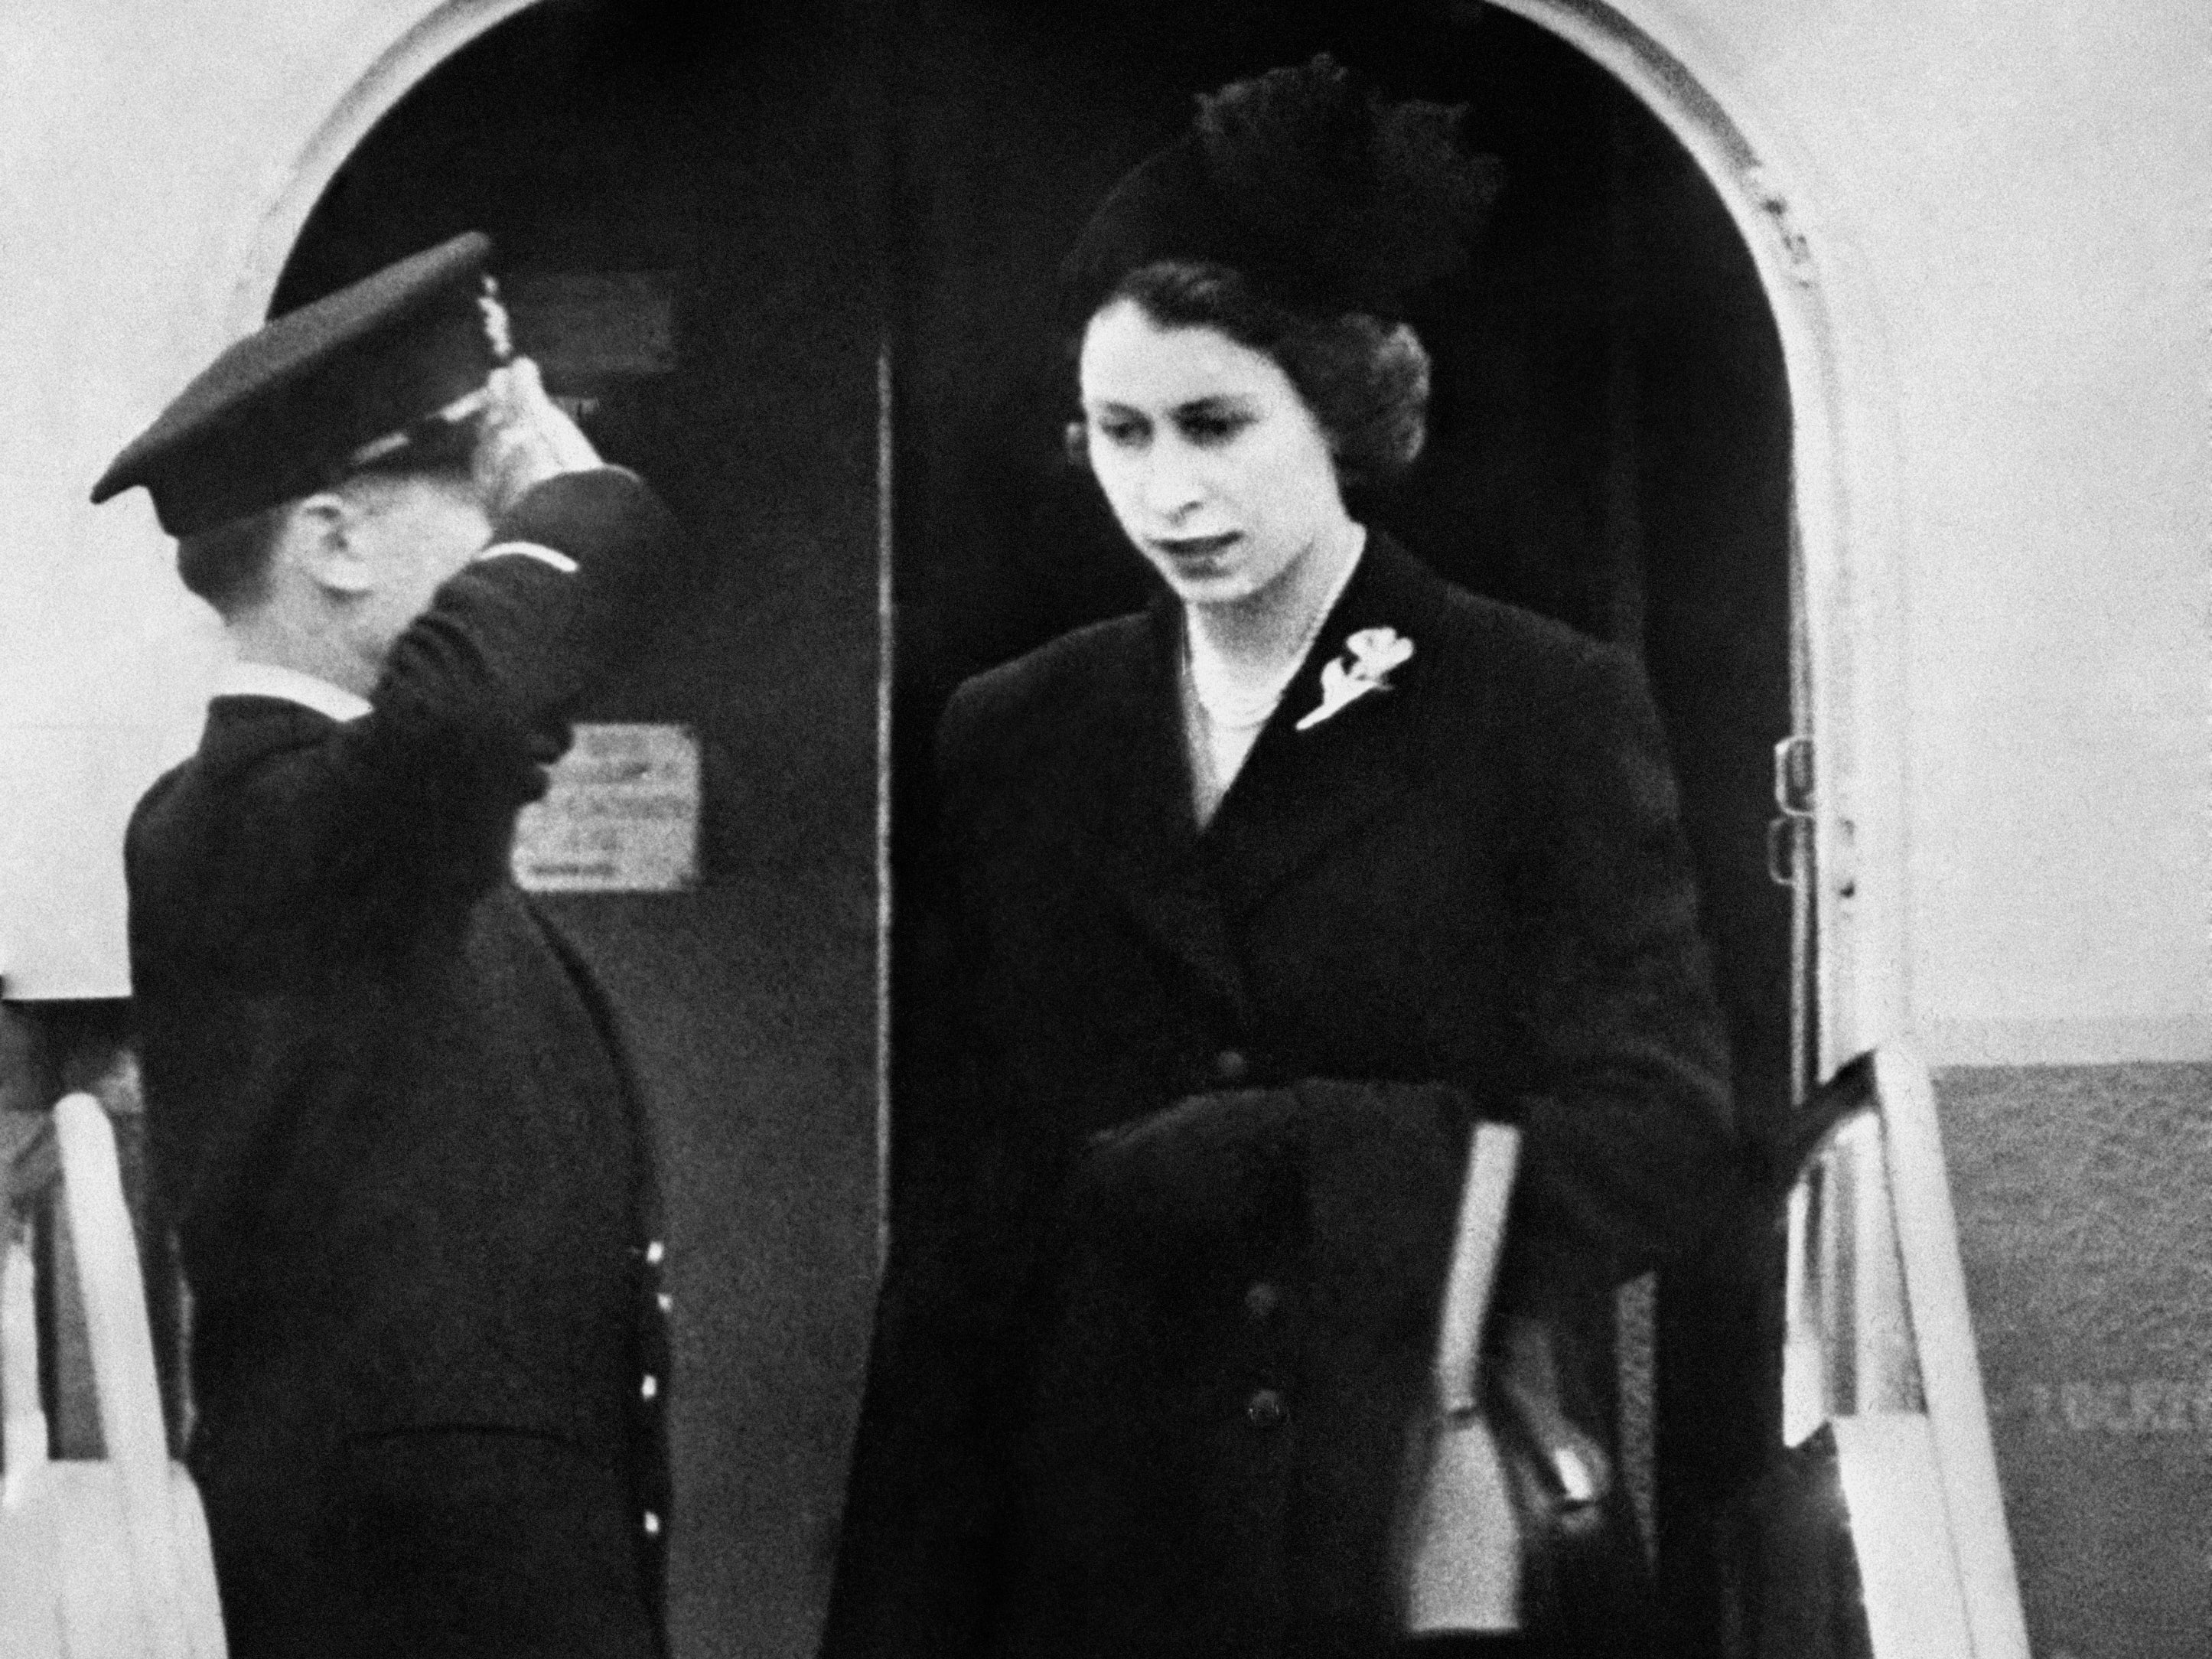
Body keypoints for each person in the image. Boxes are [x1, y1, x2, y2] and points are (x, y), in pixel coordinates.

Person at [822, 57, 1738, 1659]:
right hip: (1104, 1564)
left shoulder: (1533, 705)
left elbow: (1664, 1138)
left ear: (1342, 411)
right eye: (1121, 431)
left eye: (1218, 425)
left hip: (1415, 1538)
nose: (1169, 489)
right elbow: (966, 1241)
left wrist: (1305, 1156)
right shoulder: (1016, 735)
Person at [93, 233, 680, 1659]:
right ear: (339, 537)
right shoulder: (235, 824)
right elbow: (469, 719)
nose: (505, 518)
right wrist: (580, 499)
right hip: (401, 1604)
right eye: (474, 484)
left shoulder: (364, 835)